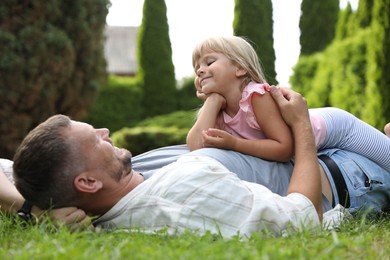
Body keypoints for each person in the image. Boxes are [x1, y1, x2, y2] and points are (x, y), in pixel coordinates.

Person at [10, 87, 390, 237]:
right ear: (87, 183)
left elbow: (4, 169)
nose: (107, 132)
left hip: (330, 156)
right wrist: (300, 127)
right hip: (348, 176)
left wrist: (38, 211)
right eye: (95, 138)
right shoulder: (180, 192)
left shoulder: (112, 187)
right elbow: (301, 219)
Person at [187, 36, 390, 173]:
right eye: (197, 67)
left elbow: (284, 149)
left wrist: (235, 144)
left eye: (209, 62)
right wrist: (212, 102)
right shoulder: (218, 110)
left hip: (337, 129)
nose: (200, 70)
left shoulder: (256, 97)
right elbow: (196, 146)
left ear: (240, 68)